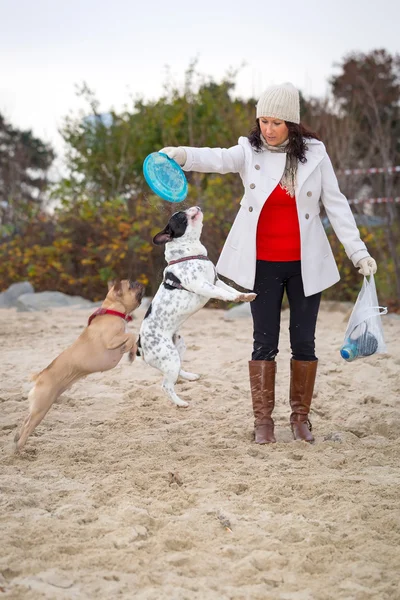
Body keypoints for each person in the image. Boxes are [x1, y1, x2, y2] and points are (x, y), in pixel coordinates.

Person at [159, 82, 377, 444]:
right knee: (264, 343)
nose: (268, 129)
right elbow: (218, 159)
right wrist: (181, 154)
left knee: (304, 343)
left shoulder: (316, 155)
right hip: (262, 264)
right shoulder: (249, 150)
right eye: (263, 120)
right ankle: (263, 422)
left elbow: (337, 206)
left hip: (306, 265)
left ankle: (300, 419)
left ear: (291, 122)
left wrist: (358, 252)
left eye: (276, 122)